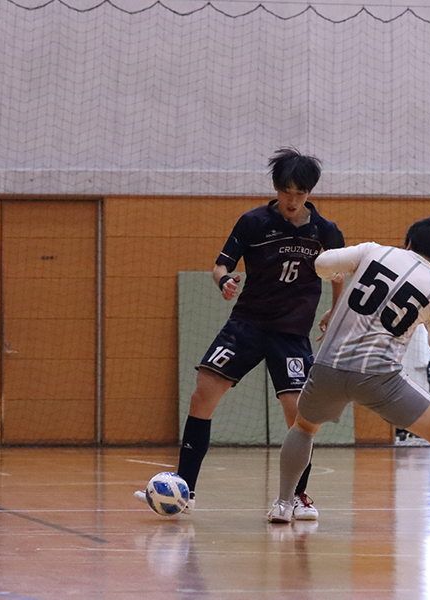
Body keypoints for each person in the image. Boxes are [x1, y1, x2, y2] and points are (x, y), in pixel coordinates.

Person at [267, 217, 430, 527]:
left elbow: (322, 263)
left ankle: (283, 504)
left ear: (408, 242)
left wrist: (336, 277)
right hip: (380, 379)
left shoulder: (374, 251)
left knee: (303, 427)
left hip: (328, 368)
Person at [136, 148, 344, 519]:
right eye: (285, 192)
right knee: (202, 395)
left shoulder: (325, 232)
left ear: (309, 192)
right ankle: (185, 490)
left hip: (292, 333)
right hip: (247, 324)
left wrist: (334, 308)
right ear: (276, 188)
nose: (291, 200)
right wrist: (225, 282)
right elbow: (220, 266)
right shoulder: (253, 222)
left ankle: (297, 496)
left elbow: (340, 273)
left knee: (300, 415)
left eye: (299, 193)